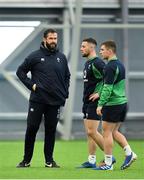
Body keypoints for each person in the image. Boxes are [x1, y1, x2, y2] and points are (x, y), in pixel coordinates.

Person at [16, 28, 70, 168]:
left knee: (51, 130)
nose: (53, 41)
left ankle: (49, 161)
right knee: (32, 128)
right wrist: (31, 85)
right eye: (51, 38)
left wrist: (65, 92)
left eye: (55, 38)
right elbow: (20, 72)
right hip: (38, 100)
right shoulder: (34, 56)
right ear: (44, 39)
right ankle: (26, 161)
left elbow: (67, 76)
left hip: (55, 102)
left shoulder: (62, 57)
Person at [94, 40, 137, 170]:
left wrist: (100, 104)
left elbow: (107, 88)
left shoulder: (109, 67)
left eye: (102, 49)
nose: (100, 52)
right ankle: (130, 153)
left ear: (110, 51)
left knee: (106, 133)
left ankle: (108, 164)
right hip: (122, 103)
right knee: (113, 132)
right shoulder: (120, 65)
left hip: (112, 104)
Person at [78, 38, 106, 168]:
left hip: (95, 102)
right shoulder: (87, 63)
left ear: (91, 48)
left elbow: (111, 78)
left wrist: (99, 93)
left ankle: (109, 156)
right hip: (86, 102)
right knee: (89, 133)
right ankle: (91, 160)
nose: (81, 48)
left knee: (92, 132)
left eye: (83, 46)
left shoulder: (98, 63)